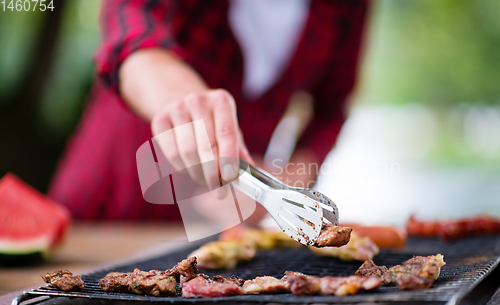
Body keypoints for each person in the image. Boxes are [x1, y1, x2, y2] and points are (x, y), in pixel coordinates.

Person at [48, 0, 369, 221]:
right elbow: (131, 22)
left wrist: (280, 184)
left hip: (215, 237)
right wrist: (178, 95)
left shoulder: (347, 7)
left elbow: (332, 108)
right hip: (109, 201)